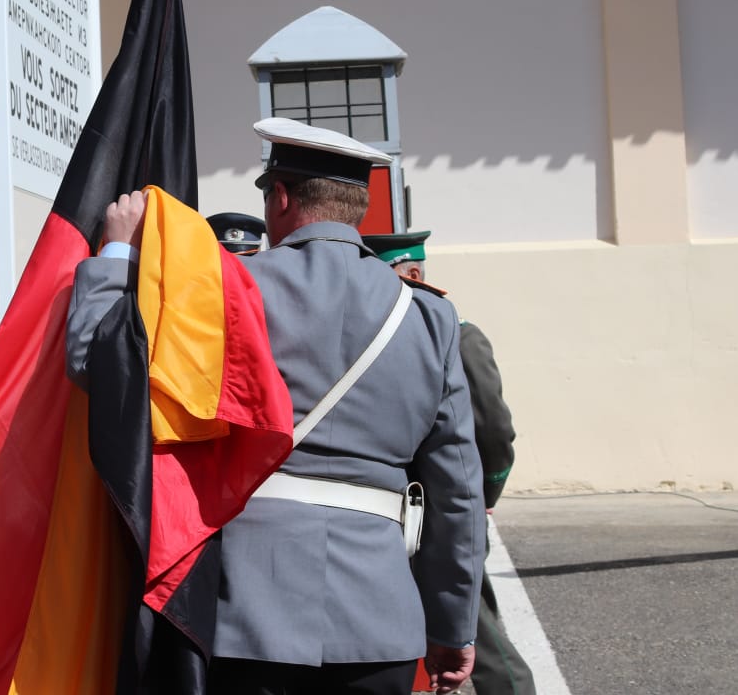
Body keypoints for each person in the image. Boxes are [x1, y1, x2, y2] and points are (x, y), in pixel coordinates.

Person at [67, 117, 484, 695]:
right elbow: (458, 491)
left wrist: (116, 253)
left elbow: (97, 365)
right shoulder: (429, 319)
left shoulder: (225, 289)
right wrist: (452, 627)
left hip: (247, 615)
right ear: (357, 206)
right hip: (380, 620)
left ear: (281, 197)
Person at [364, 231, 533, 695]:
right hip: (389, 512)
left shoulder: (457, 335)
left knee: (478, 633)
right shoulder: (382, 331)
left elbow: (494, 432)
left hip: (441, 514)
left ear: (412, 275)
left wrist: (484, 496)